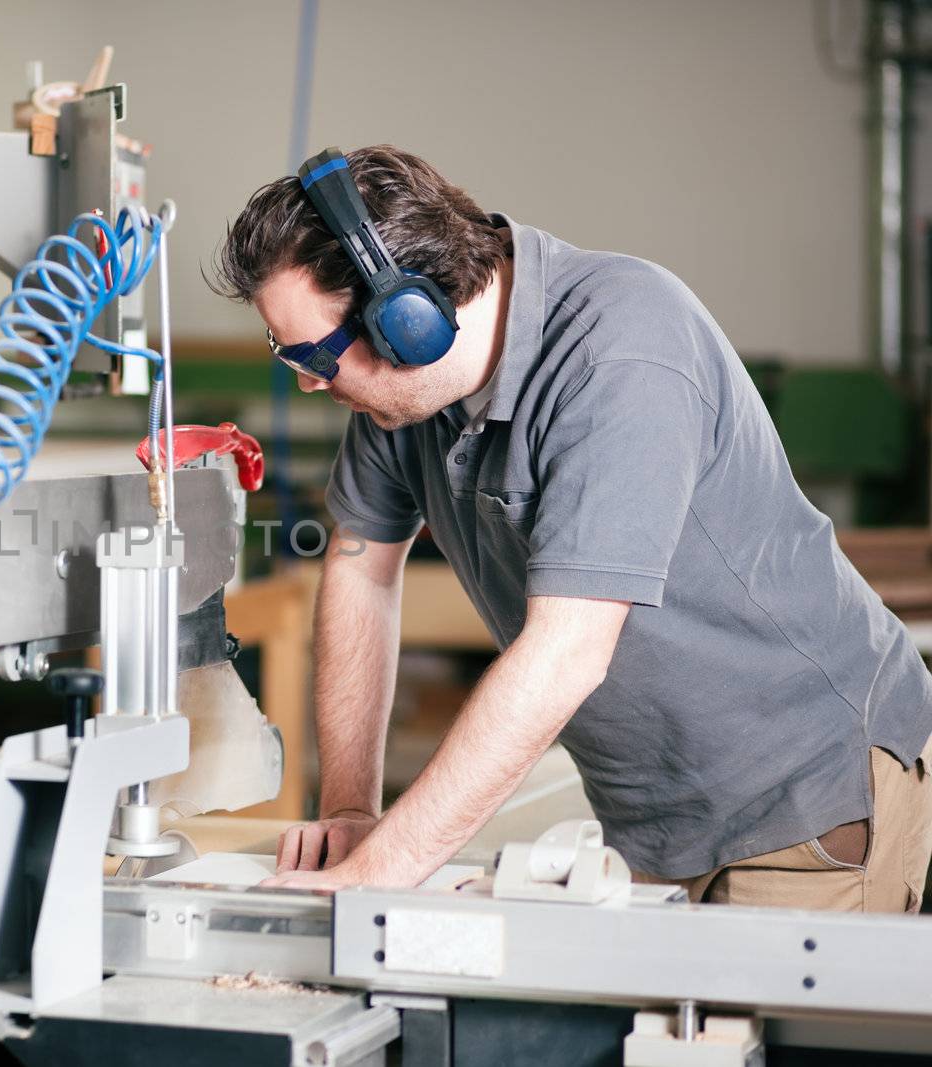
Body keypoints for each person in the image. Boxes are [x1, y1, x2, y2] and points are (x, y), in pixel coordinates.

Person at [209, 145, 932, 911]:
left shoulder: (620, 349)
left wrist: (379, 874)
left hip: (810, 801)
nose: (311, 382)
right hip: (652, 828)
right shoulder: (402, 397)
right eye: (286, 355)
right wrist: (353, 810)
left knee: (766, 1035)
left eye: (318, 354)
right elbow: (360, 568)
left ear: (408, 319)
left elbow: (567, 651)